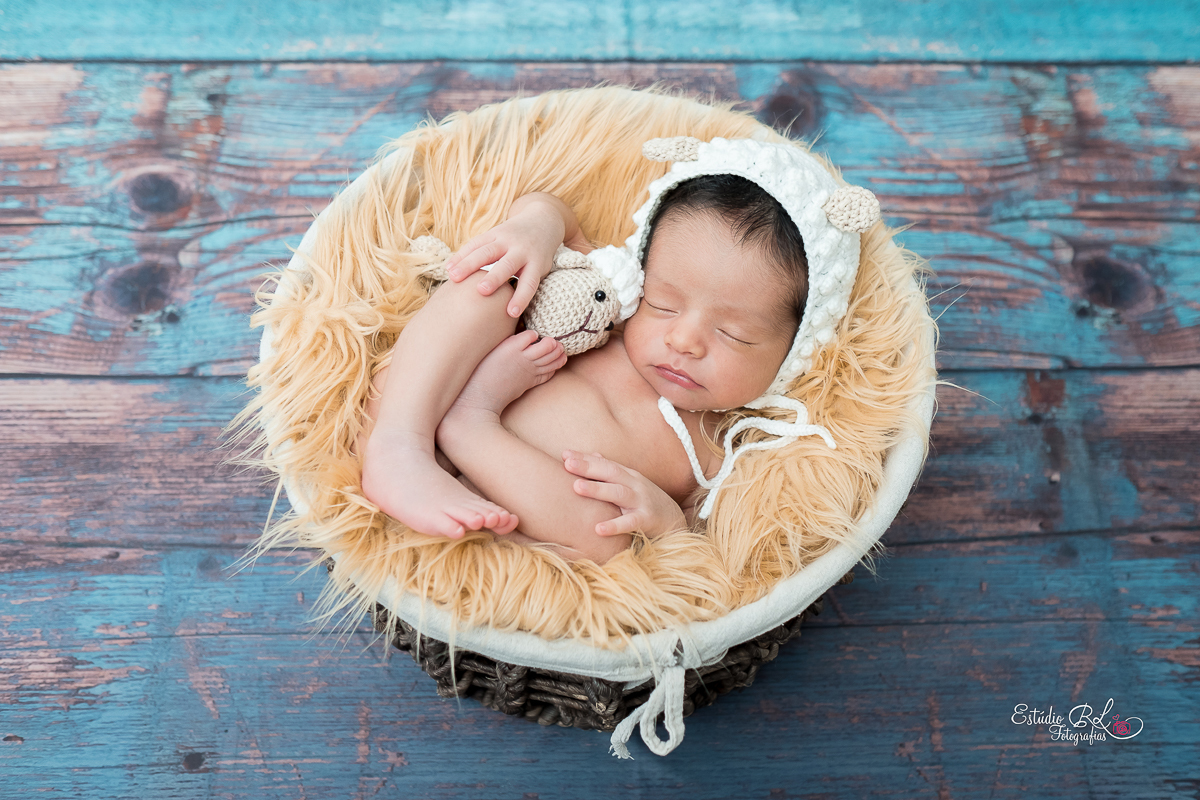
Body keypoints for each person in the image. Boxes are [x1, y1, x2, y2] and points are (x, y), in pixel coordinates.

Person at [359, 137, 872, 563]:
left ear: (798, 344)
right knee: (503, 278)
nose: (683, 340)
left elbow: (709, 557)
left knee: (613, 534)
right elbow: (556, 212)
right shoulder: (613, 308)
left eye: (734, 335)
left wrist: (670, 522)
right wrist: (535, 226)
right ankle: (399, 445)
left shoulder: (727, 450)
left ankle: (469, 424)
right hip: (423, 403)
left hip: (502, 522)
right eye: (664, 303)